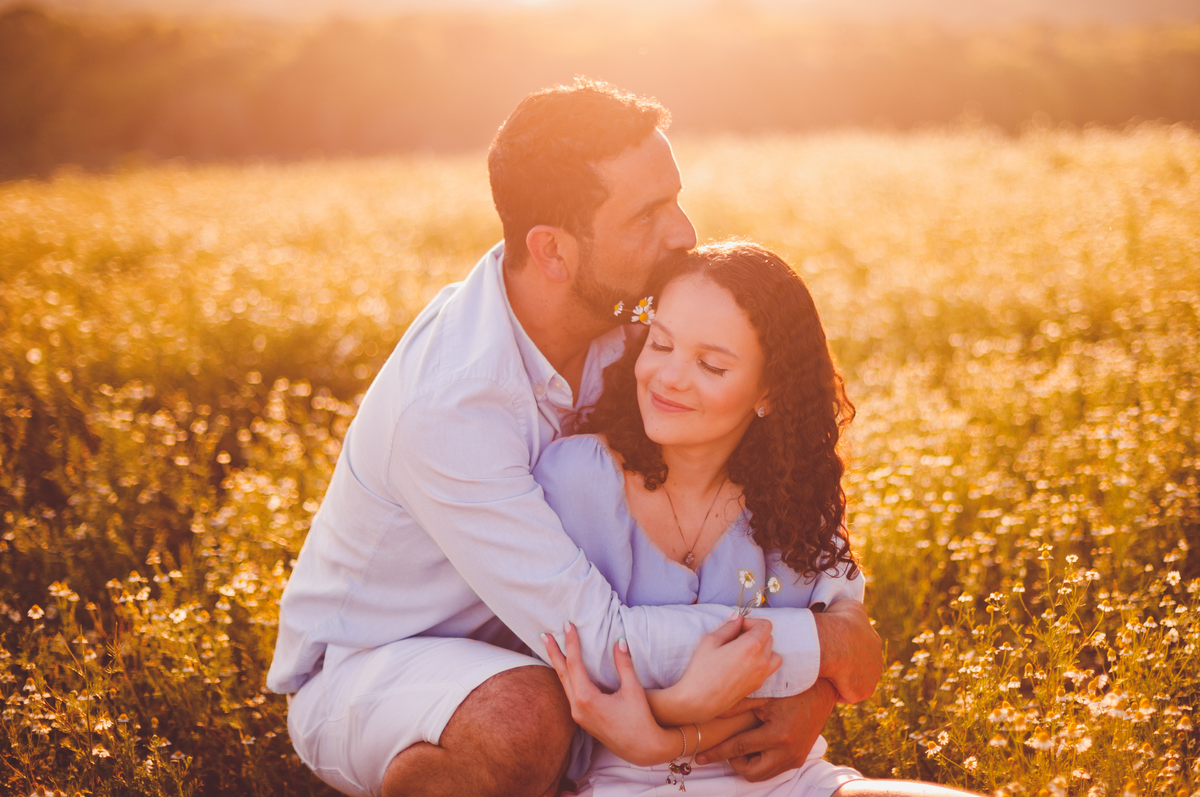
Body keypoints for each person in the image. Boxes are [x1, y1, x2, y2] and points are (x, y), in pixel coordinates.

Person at [267, 80, 882, 797]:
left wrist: (818, 678)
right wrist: (823, 647)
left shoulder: (641, 334)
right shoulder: (448, 408)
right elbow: (600, 642)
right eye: (647, 214)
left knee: (548, 696)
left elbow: (785, 476)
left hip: (545, 646)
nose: (682, 231)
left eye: (675, 198)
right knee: (523, 713)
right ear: (552, 251)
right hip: (386, 663)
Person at [538, 241, 978, 796]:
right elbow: (559, 684)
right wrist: (678, 717)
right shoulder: (574, 478)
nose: (668, 376)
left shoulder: (793, 496)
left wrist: (813, 690)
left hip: (788, 782)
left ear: (768, 392)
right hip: (621, 784)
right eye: (660, 342)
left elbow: (859, 663)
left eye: (711, 364)